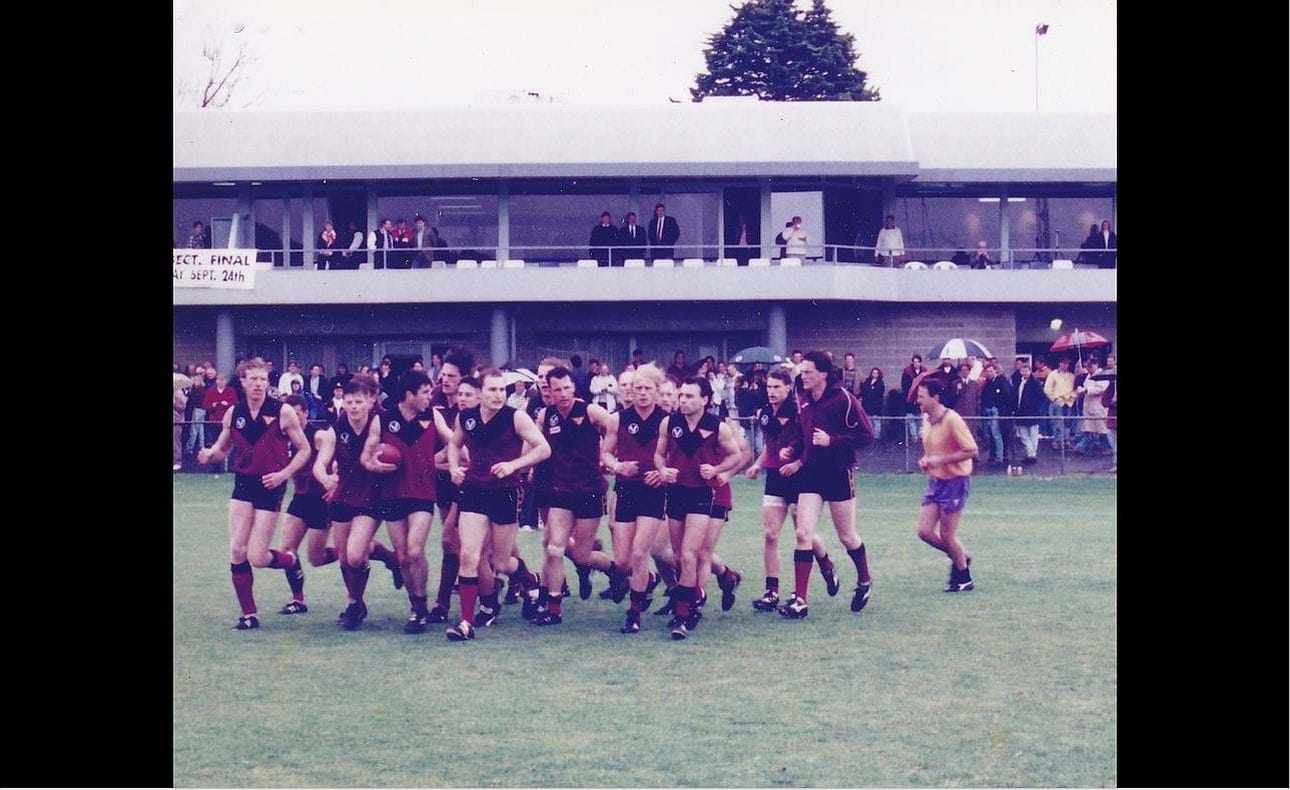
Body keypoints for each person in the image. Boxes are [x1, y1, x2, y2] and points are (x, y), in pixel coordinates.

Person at [197, 358, 312, 630]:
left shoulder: (283, 411)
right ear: (244, 382)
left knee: (258, 557)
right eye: (254, 379)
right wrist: (209, 453)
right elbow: (222, 450)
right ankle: (249, 614)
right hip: (243, 483)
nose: (259, 384)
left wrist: (284, 474)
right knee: (237, 549)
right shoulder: (233, 413)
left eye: (263, 379)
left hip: (271, 484)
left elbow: (305, 450)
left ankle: (290, 560)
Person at [445, 370, 552, 641]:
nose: (498, 395)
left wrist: (514, 465)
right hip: (473, 491)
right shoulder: (465, 417)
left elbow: (543, 448)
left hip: (505, 492)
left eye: (501, 390)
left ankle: (531, 581)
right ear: (479, 393)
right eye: (492, 390)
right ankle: (466, 623)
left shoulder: (515, 417)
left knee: (501, 562)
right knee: (469, 555)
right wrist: (455, 468)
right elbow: (454, 444)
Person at [780, 352, 875, 619]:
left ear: (823, 373)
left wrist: (831, 440)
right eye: (802, 371)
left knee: (847, 536)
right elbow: (802, 433)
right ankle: (800, 599)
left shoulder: (843, 399)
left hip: (838, 473)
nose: (803, 375)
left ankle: (865, 580)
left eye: (808, 371)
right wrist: (793, 449)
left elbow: (867, 436)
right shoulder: (804, 400)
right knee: (802, 534)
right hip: (811, 473)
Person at [653, 376, 743, 639]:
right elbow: (659, 454)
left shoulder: (718, 427)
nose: (683, 400)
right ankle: (689, 601)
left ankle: (683, 615)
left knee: (692, 554)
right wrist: (662, 469)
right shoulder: (670, 423)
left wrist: (716, 469)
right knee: (679, 557)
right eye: (681, 396)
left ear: (705, 399)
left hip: (703, 495)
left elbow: (736, 455)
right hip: (676, 492)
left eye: (690, 396)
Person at [371, 370, 457, 634]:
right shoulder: (383, 419)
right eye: (425, 393)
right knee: (404, 557)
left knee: (416, 549)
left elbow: (454, 441)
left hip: (421, 493)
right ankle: (416, 606)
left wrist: (455, 456)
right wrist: (373, 462)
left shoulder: (432, 416)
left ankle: (421, 605)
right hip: (392, 494)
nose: (430, 398)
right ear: (409, 395)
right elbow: (369, 453)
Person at [745, 369, 838, 612]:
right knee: (770, 534)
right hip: (775, 478)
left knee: (803, 534)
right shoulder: (765, 414)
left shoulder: (800, 412)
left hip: (800, 478)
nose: (772, 392)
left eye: (777, 387)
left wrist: (796, 461)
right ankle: (771, 592)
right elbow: (770, 446)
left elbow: (809, 446)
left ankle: (826, 563)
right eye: (769, 388)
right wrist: (757, 464)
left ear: (788, 388)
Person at [530, 366, 615, 626]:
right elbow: (533, 444)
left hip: (589, 491)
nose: (563, 394)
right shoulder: (545, 416)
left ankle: (615, 572)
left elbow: (616, 427)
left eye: (567, 388)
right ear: (550, 392)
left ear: (573, 388)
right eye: (557, 390)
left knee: (581, 555)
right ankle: (554, 609)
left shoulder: (590, 411)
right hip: (560, 492)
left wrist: (608, 453)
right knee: (554, 547)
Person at [310, 378, 392, 630]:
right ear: (342, 403)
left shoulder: (380, 424)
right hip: (343, 495)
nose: (354, 407)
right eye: (349, 402)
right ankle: (356, 603)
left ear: (369, 401)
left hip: (371, 496)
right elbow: (320, 463)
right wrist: (325, 478)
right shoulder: (336, 428)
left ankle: (358, 599)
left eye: (358, 402)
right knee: (346, 558)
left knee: (356, 555)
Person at [601, 364, 669, 633]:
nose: (641, 393)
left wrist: (662, 474)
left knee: (640, 553)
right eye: (637, 388)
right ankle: (648, 580)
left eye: (647, 388)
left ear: (656, 391)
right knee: (622, 561)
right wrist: (617, 467)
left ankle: (634, 613)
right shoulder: (617, 419)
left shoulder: (667, 420)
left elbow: (675, 457)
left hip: (653, 491)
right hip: (625, 489)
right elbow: (606, 453)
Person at [271, 394, 335, 615]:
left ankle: (376, 553)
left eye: (298, 414)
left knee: (316, 559)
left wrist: (335, 482)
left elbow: (340, 459)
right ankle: (298, 600)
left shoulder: (318, 436)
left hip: (320, 500)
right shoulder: (284, 434)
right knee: (287, 550)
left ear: (306, 413)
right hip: (300, 498)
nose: (293, 418)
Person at [914, 379, 978, 592]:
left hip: (955, 482)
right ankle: (960, 556)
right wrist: (927, 459)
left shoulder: (952, 419)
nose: (918, 400)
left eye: (922, 397)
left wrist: (939, 461)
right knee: (924, 531)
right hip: (936, 481)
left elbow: (971, 450)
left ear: (936, 398)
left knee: (947, 534)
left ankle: (964, 577)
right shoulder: (927, 419)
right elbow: (932, 447)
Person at [978, 363, 1013, 466]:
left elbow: (1006, 396)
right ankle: (994, 455)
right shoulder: (988, 383)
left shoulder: (1002, 381)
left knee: (996, 434)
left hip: (997, 410)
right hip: (988, 409)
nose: (989, 373)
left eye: (991, 371)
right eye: (987, 371)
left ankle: (1000, 457)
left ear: (995, 371)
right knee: (990, 434)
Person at [1074, 358, 1111, 454]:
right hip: (1089, 405)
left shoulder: (1103, 375)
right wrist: (1081, 389)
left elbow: (1101, 389)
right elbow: (1086, 385)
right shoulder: (1089, 376)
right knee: (1088, 428)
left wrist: (1086, 390)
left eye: (1090, 366)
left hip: (1098, 405)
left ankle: (1107, 447)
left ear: (1096, 365)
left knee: (1102, 429)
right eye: (1087, 366)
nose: (1089, 368)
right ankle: (1082, 447)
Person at [1012, 363, 1047, 464]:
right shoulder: (1019, 382)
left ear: (1030, 371)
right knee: (1023, 434)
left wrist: (1034, 407)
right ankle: (1030, 453)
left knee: (1033, 434)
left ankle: (1031, 454)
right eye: (1022, 371)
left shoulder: (1035, 383)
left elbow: (1042, 397)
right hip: (1020, 413)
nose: (1024, 373)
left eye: (1026, 371)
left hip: (1032, 413)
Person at [1043, 357, 1078, 451]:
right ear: (1060, 363)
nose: (1066, 365)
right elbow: (1047, 389)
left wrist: (1073, 396)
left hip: (1068, 402)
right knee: (1057, 423)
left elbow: (1076, 388)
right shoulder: (1053, 374)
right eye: (1064, 363)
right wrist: (1055, 398)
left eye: (1067, 363)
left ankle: (1066, 441)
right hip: (1058, 402)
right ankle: (1056, 441)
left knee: (1067, 423)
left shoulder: (1071, 376)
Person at [900, 354, 925, 444]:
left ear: (920, 363)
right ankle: (914, 437)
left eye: (918, 362)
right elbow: (904, 386)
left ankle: (920, 437)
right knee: (911, 420)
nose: (916, 364)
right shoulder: (907, 372)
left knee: (920, 420)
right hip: (910, 400)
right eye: (914, 362)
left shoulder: (924, 372)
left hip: (921, 400)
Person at [859, 367, 885, 442]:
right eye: (873, 372)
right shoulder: (867, 381)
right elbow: (864, 390)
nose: (874, 374)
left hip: (876, 406)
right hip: (867, 405)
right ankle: (869, 436)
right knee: (868, 421)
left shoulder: (880, 383)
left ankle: (876, 437)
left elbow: (879, 394)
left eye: (876, 373)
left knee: (876, 422)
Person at [173, 375, 190, 471]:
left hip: (175, 420)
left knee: (175, 442)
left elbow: (183, 406)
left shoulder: (178, 392)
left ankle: (177, 462)